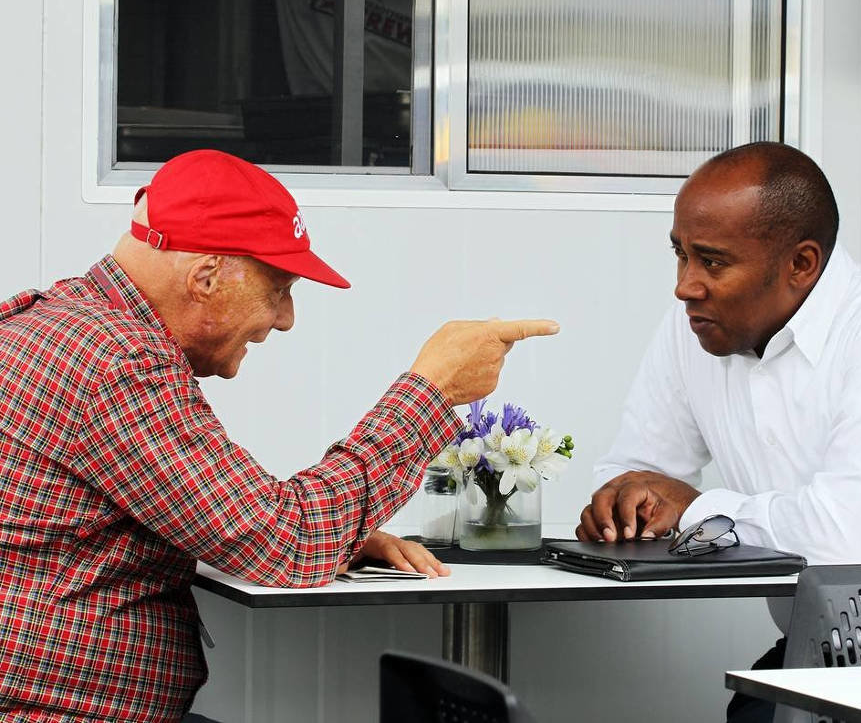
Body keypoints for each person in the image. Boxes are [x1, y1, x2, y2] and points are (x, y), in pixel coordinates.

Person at [0, 149, 559, 722]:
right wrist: (432, 390)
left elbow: (217, 519)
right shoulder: (117, 362)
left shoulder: (56, 323)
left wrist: (344, 530)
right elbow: (286, 541)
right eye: (279, 288)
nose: (287, 317)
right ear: (206, 277)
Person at [576, 142, 861, 722]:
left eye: (712, 262)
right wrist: (623, 503)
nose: (685, 286)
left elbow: (841, 543)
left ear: (802, 264)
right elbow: (640, 469)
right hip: (820, 649)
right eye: (680, 255)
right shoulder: (694, 327)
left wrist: (692, 511)